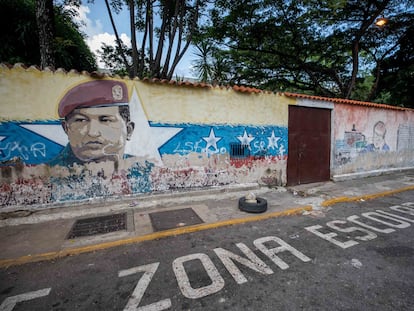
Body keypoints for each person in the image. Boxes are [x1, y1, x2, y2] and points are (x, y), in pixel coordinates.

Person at [49, 80, 135, 166]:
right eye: (81, 120)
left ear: (129, 130)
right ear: (66, 129)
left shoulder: (145, 171)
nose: (93, 133)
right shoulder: (46, 175)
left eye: (105, 120)